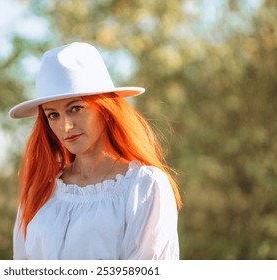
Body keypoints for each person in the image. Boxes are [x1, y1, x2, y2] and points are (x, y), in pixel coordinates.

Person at [9, 42, 182, 260]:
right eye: (53, 115)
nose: (65, 126)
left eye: (76, 108)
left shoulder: (143, 186)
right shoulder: (40, 190)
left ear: (106, 110)